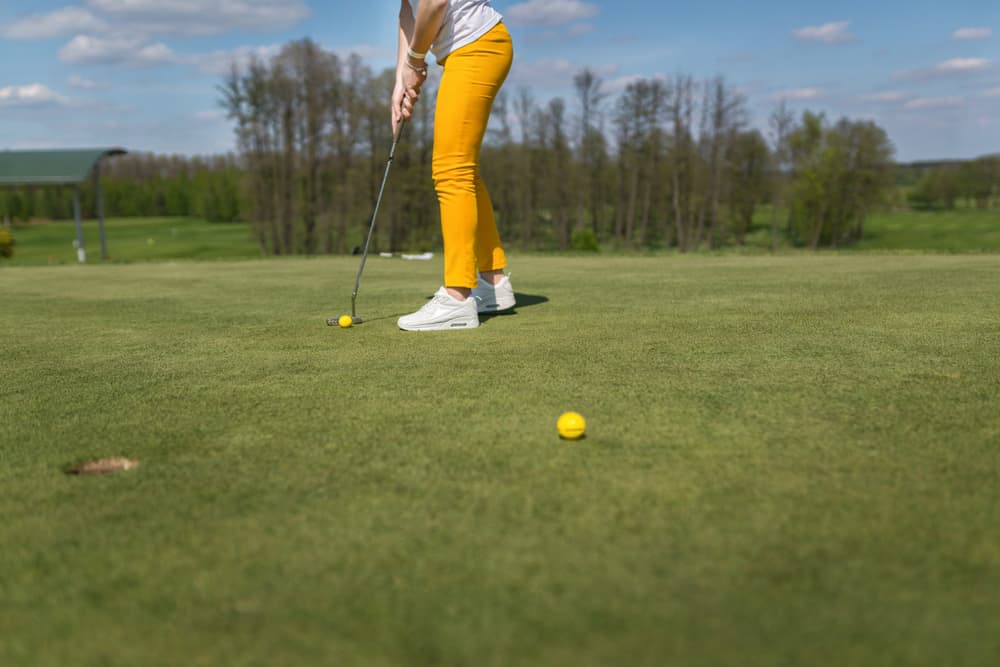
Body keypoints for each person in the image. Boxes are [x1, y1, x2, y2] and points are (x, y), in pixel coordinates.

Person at [394, 0, 516, 331]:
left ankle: (457, 297)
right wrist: (400, 80)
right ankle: (493, 283)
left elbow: (434, 3)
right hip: (473, 49)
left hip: (478, 46)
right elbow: (408, 13)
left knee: (451, 171)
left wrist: (416, 61)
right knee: (464, 169)